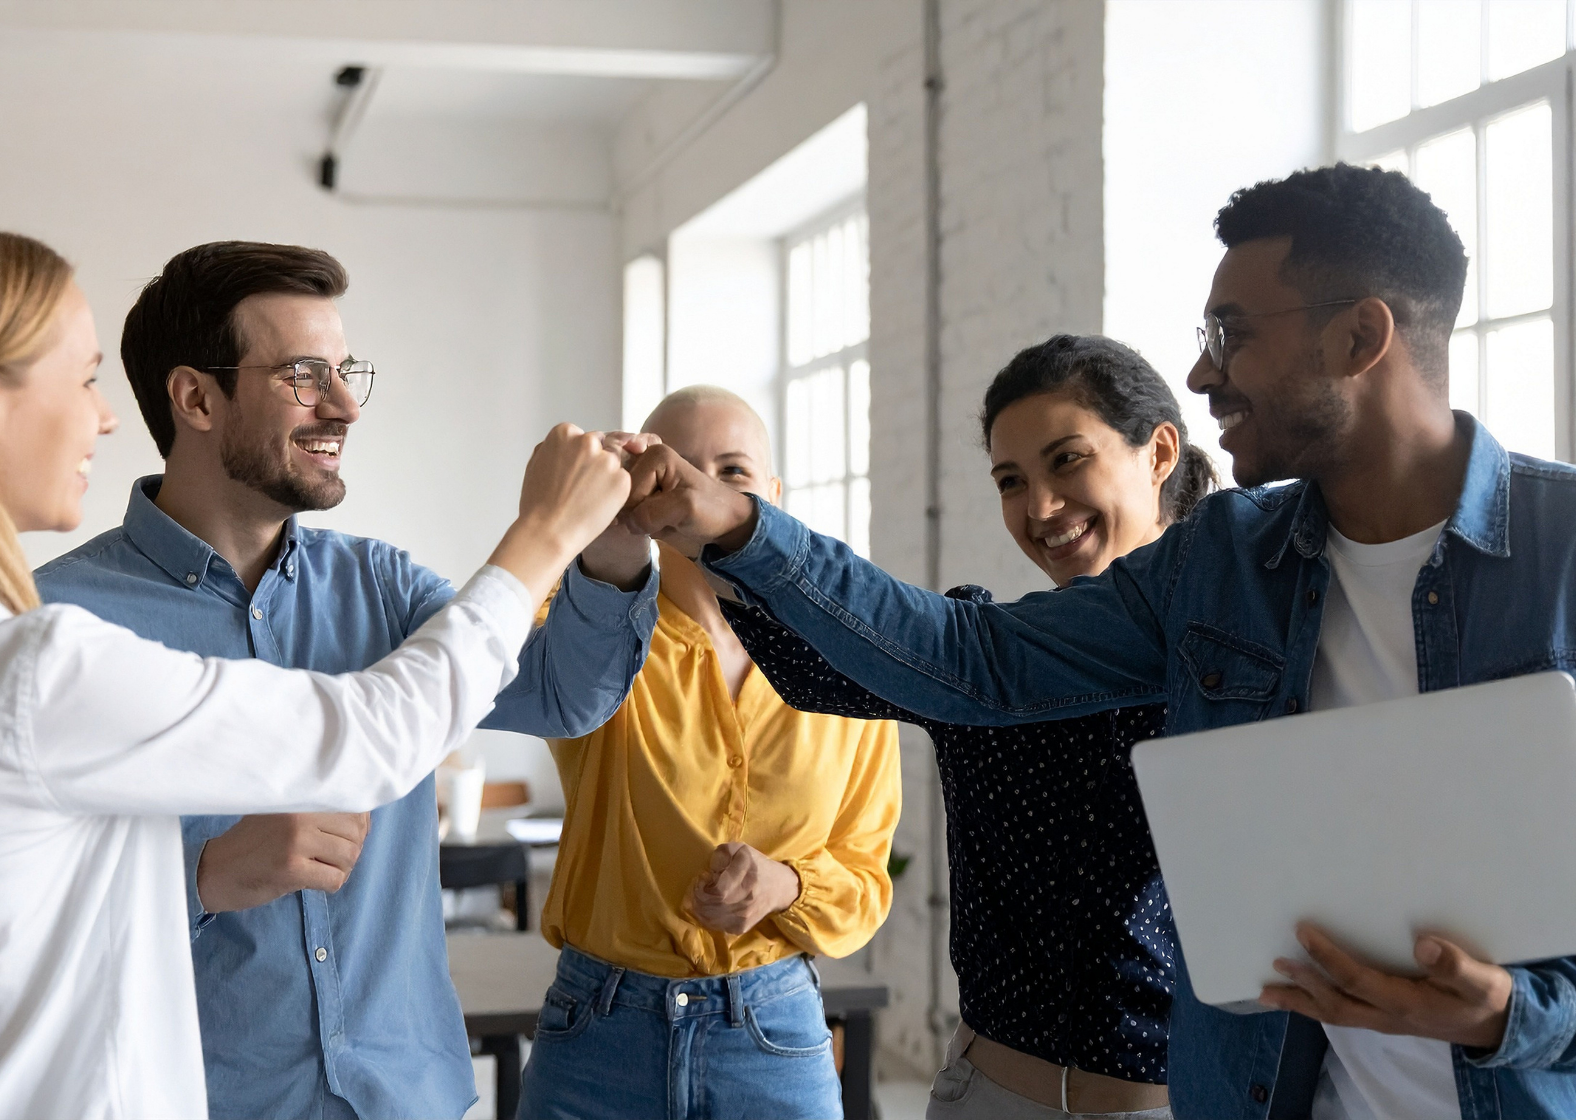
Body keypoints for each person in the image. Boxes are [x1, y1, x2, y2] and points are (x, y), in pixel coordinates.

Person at [621, 163, 1576, 1119]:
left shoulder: (1559, 551)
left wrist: (1511, 1016)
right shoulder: (1223, 563)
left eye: (1232, 335)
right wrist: (736, 523)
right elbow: (972, 659)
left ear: (1360, 336)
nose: (1203, 373)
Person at [0, 217, 632, 1120]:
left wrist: (603, 558)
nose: (107, 415)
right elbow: (370, 736)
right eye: (85, 377)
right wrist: (544, 534)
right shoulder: (29, 654)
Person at [32, 240, 658, 1120]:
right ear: (196, 397)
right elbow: (22, 901)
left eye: (345, 371)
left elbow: (563, 691)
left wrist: (616, 544)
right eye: (302, 375)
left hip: (408, 1095)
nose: (344, 407)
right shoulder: (54, 623)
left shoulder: (386, 588)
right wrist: (201, 873)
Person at [724, 336, 1214, 1119]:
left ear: (1159, 452)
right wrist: (697, 533)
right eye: (1011, 480)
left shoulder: (1229, 660)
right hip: (984, 1095)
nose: (1040, 507)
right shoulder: (975, 652)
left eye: (1067, 461)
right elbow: (814, 664)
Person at [516, 385, 902, 1120]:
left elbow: (865, 872)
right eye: (675, 469)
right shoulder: (581, 630)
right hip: (598, 1030)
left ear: (774, 495)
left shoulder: (846, 661)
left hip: (772, 1031)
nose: (699, 491)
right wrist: (578, 516)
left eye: (733, 471)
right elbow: (496, 646)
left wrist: (787, 885)